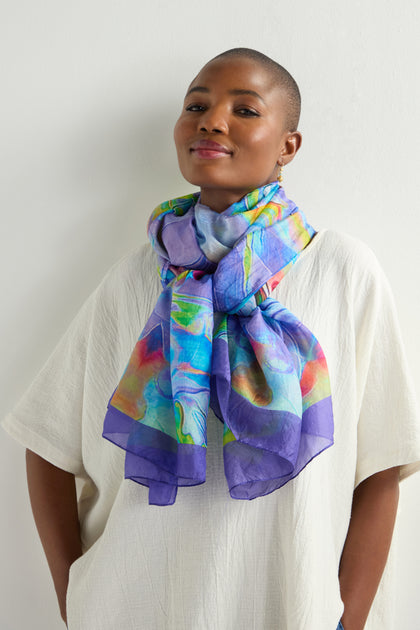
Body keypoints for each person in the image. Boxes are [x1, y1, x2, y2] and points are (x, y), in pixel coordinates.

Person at [2, 48, 420, 630]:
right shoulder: (136, 277)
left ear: (288, 146)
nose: (212, 121)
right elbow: (46, 439)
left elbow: (381, 465)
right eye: (196, 106)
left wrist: (346, 620)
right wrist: (74, 598)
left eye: (244, 110)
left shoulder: (342, 271)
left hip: (289, 610)